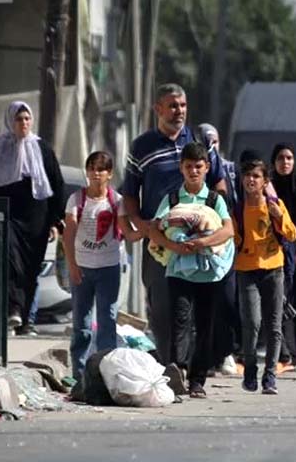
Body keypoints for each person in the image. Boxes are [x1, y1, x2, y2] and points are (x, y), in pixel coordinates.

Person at [122, 84, 227, 363]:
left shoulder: (198, 140)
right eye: (172, 105)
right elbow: (130, 195)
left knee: (198, 306)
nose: (179, 111)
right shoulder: (142, 146)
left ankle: (194, 368)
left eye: (182, 105)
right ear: (158, 109)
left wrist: (214, 222)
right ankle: (171, 366)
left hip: (200, 240)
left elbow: (219, 183)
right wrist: (142, 226)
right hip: (160, 243)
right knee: (163, 308)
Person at [148, 142, 235, 398]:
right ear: (181, 168)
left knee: (205, 325)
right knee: (180, 323)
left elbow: (228, 230)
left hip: (209, 274)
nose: (193, 171)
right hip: (179, 272)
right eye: (188, 167)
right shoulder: (172, 199)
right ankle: (178, 372)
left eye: (198, 166)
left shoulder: (214, 199)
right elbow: (154, 229)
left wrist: (202, 243)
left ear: (207, 168)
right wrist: (173, 244)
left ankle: (198, 381)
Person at [0, 101, 65, 336]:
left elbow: (56, 184)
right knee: (10, 261)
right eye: (18, 119)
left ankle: (25, 320)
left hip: (36, 218)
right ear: (9, 121)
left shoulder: (42, 148)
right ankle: (12, 309)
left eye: (26, 119)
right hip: (6, 214)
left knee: (31, 269)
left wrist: (55, 220)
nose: (23, 123)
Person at [64, 151, 142, 380]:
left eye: (101, 170)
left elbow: (127, 232)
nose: (96, 174)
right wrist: (72, 266)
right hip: (83, 268)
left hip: (109, 267)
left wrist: (149, 231)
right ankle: (80, 375)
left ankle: (106, 372)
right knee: (81, 323)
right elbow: (68, 235)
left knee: (107, 320)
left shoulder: (115, 201)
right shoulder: (76, 200)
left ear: (109, 174)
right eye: (92, 169)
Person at [234, 151, 296, 395]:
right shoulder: (238, 210)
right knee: (251, 323)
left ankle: (269, 376)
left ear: (264, 181)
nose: (251, 180)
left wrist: (280, 217)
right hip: (246, 269)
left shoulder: (275, 205)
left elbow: (291, 235)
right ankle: (250, 369)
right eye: (247, 175)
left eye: (256, 176)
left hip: (274, 268)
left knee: (274, 325)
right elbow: (234, 239)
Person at [196, 123, 240, 377]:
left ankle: (225, 352)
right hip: (196, 244)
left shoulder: (230, 170)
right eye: (204, 140)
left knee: (226, 300)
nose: (209, 144)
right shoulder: (191, 170)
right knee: (201, 302)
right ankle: (204, 357)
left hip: (225, 245)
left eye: (212, 140)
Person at [270, 143, 296, 375]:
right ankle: (283, 353)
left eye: (289, 158)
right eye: (280, 158)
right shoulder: (269, 189)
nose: (285, 163)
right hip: (274, 252)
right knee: (279, 302)